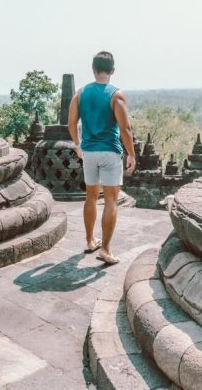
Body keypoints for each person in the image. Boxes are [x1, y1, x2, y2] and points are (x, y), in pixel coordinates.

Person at [67, 51, 136, 265]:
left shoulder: (80, 94)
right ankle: (105, 249)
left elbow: (71, 123)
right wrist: (131, 154)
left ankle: (90, 241)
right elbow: (125, 129)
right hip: (109, 152)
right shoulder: (116, 95)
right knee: (111, 200)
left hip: (88, 153)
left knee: (91, 197)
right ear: (112, 70)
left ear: (93, 70)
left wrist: (78, 145)